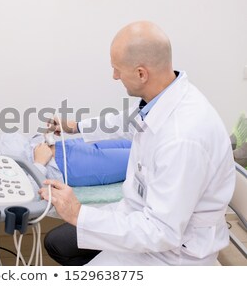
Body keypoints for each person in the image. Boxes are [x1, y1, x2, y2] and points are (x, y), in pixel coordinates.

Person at [39, 21, 236, 266]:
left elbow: (161, 232)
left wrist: (79, 213)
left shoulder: (183, 139)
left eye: (117, 69)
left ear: (142, 73)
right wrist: (75, 126)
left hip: (173, 254)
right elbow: (126, 121)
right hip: (140, 215)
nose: (114, 76)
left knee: (75, 238)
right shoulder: (163, 95)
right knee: (59, 242)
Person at [0, 133, 131, 186]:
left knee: (140, 143)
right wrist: (39, 162)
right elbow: (26, 191)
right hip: (69, 166)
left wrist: (41, 138)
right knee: (139, 158)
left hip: (67, 145)